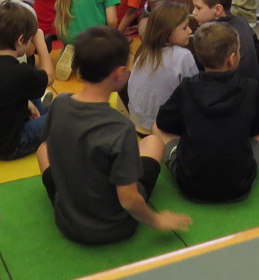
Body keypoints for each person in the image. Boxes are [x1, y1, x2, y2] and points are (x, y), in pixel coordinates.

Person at [36, 27, 191, 244]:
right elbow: (128, 200)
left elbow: (54, 148)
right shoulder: (121, 127)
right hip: (114, 227)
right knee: (154, 142)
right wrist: (157, 220)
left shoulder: (59, 104)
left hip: (67, 220)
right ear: (119, 74)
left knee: (43, 149)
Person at [153, 23, 259, 202]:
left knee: (156, 128)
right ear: (231, 58)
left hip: (191, 187)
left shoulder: (187, 87)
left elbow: (163, 122)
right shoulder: (251, 88)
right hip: (239, 187)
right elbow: (255, 130)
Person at [0, 2, 54, 160]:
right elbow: (49, 77)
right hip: (10, 146)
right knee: (64, 109)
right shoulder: (20, 72)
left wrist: (27, 103)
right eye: (30, 40)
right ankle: (47, 114)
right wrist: (41, 43)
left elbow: (0, 92)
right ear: (21, 40)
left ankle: (41, 111)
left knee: (30, 92)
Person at [126, 3, 198, 134]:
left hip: (137, 123)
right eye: (184, 28)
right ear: (168, 33)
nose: (190, 31)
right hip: (163, 129)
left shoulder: (142, 52)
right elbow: (196, 93)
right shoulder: (183, 56)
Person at [191, 0, 259, 91]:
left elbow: (200, 67)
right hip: (253, 92)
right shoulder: (242, 21)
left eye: (198, 8)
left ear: (218, 9)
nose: (193, 12)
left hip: (224, 92)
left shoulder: (206, 34)